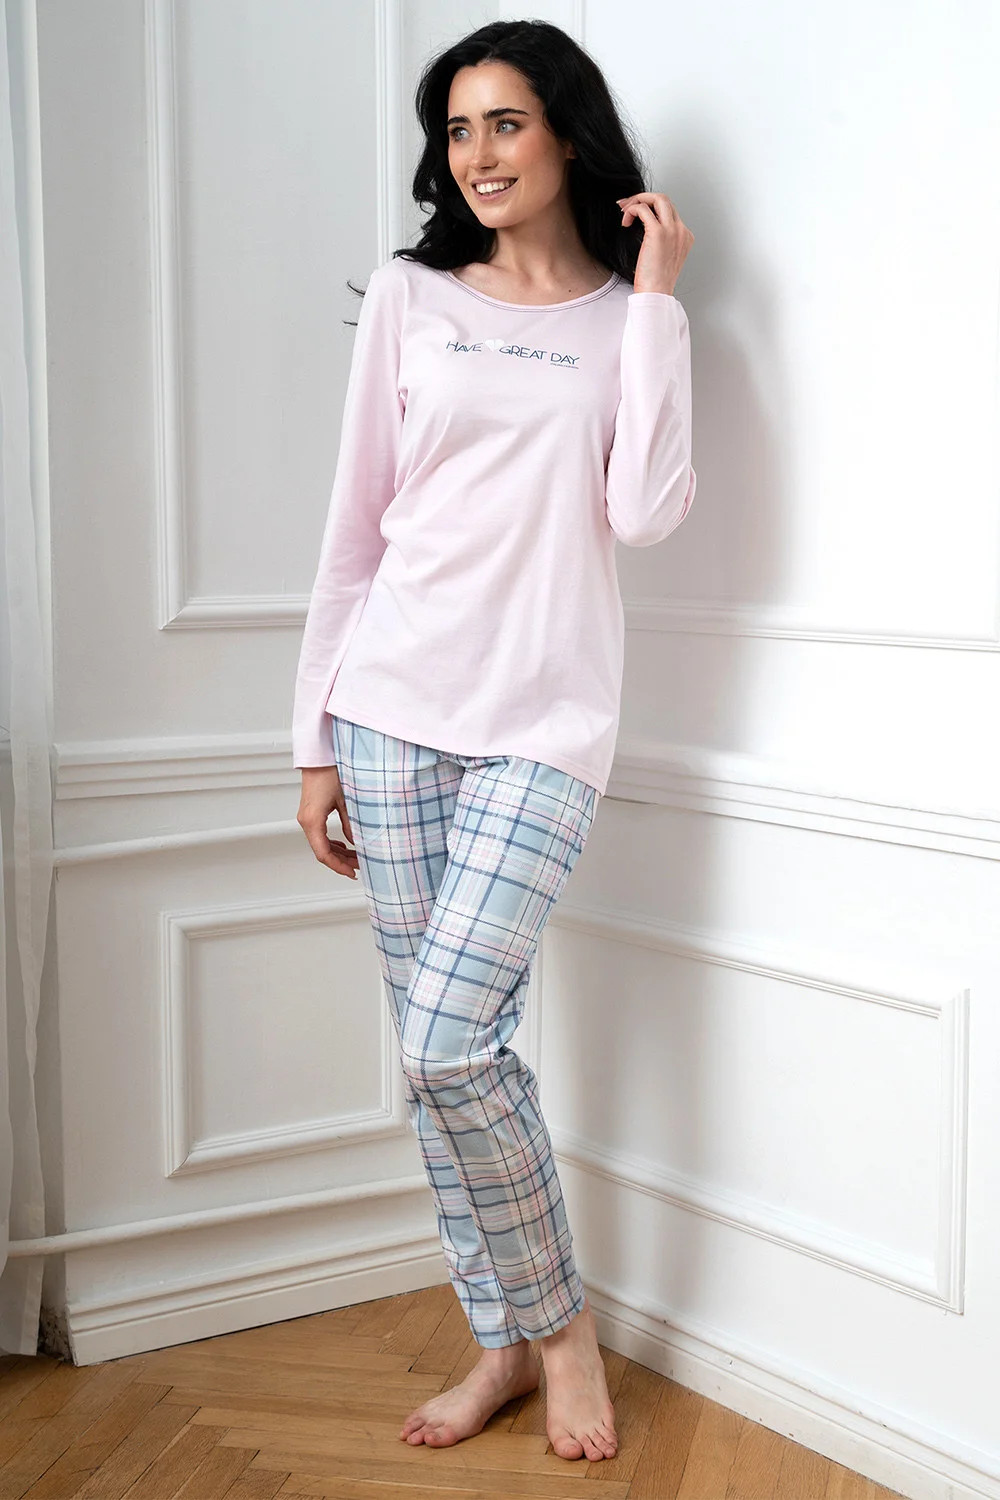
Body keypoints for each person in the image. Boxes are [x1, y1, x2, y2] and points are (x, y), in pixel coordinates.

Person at [292, 17, 695, 1464]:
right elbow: (355, 526)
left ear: (567, 135)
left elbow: (644, 512)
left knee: (451, 1041)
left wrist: (656, 305)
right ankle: (504, 1339)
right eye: (458, 130)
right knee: (434, 1058)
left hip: (547, 724)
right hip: (388, 712)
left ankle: (560, 1329)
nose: (477, 155)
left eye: (505, 123)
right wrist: (312, 738)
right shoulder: (411, 297)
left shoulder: (630, 320)